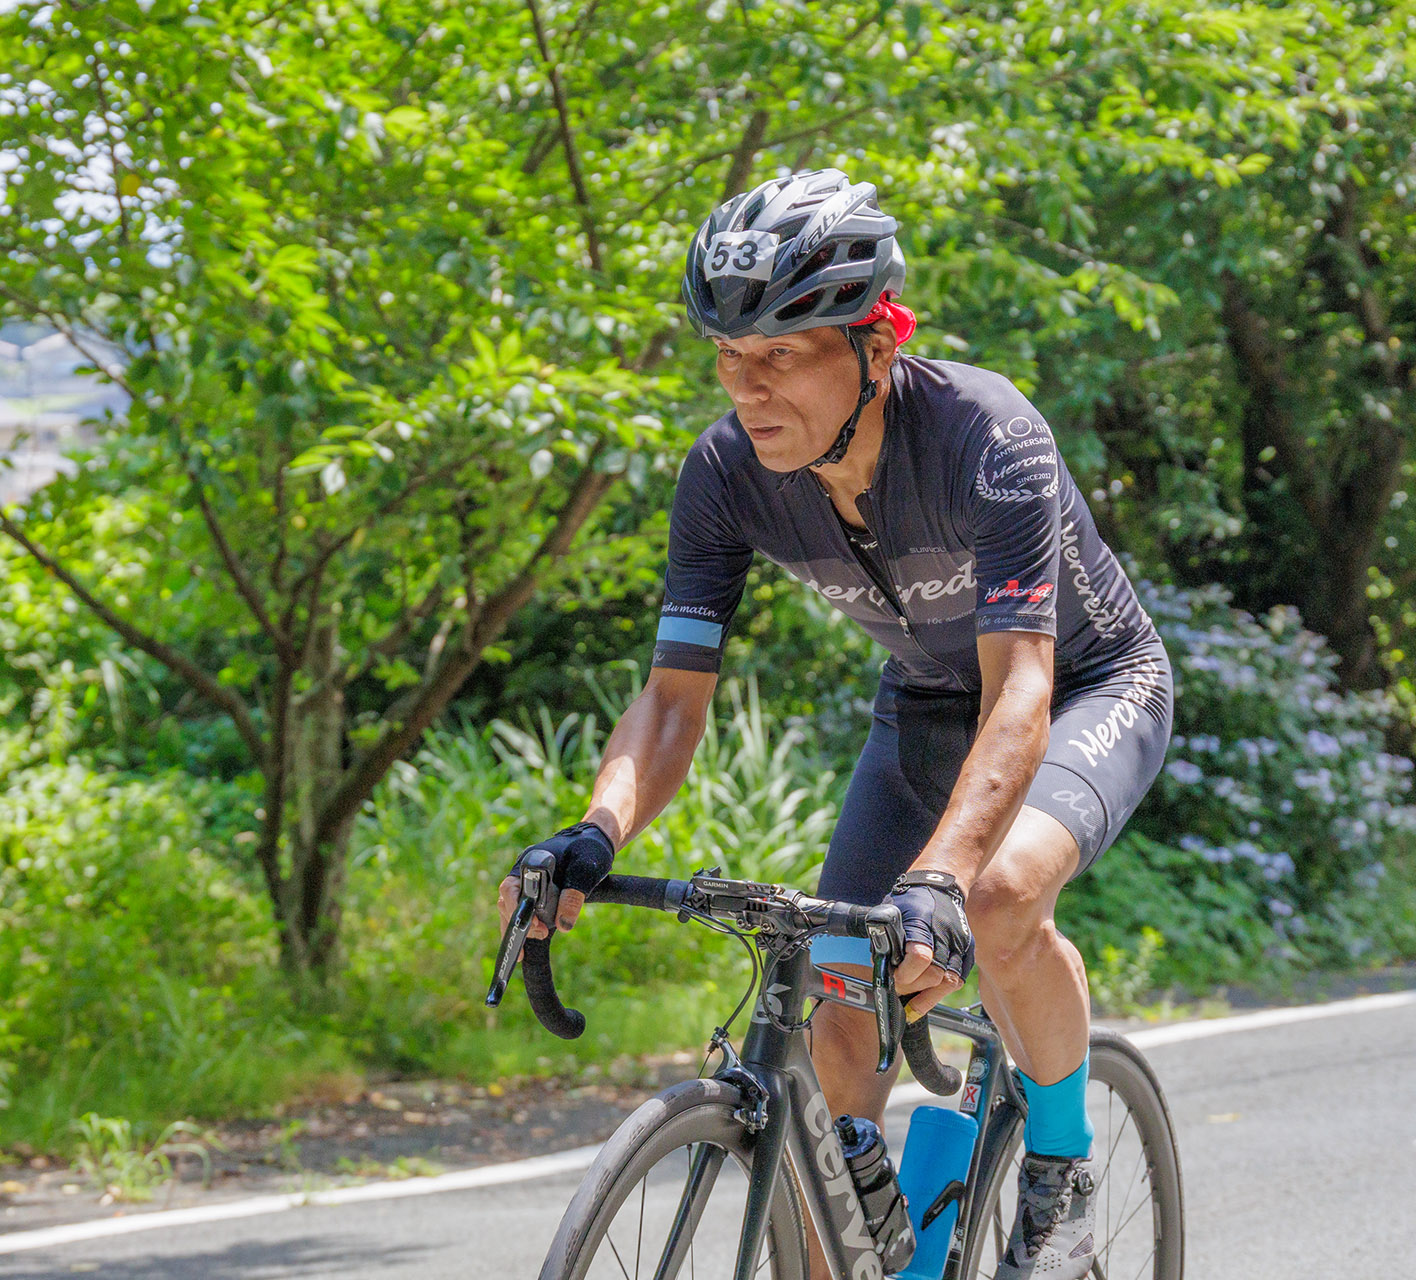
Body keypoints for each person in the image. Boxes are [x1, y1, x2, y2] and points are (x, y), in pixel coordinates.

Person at [495, 169, 1172, 1279]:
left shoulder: (988, 436)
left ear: (878, 344)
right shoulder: (725, 473)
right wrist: (596, 831)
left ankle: (1060, 1173)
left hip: (1086, 690)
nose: (748, 387)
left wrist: (941, 881)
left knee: (997, 898)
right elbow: (671, 699)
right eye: (729, 355)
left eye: (781, 354)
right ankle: (865, 1225)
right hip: (926, 703)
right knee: (841, 984)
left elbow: (1021, 691)